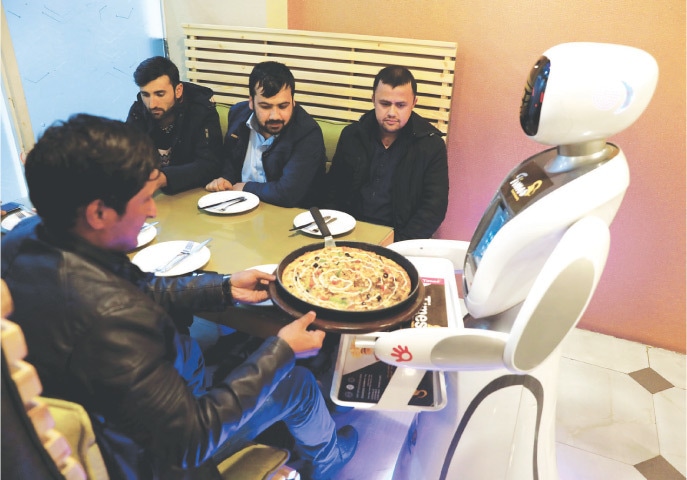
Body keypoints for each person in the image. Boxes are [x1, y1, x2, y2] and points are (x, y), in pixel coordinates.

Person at [1, 114, 357, 480]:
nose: (153, 210)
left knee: (232, 352)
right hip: (160, 461)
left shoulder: (23, 237)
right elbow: (190, 441)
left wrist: (221, 287)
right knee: (297, 381)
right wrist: (282, 350)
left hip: (128, 411)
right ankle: (330, 461)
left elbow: (137, 288)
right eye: (143, 199)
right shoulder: (112, 322)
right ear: (98, 212)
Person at [326, 65, 449, 240]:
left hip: (401, 238)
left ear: (414, 103)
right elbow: (333, 190)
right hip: (349, 231)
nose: (392, 113)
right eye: (384, 104)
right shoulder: (352, 135)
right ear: (373, 100)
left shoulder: (431, 146)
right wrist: (337, 232)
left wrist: (397, 243)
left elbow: (433, 209)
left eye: (400, 105)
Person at [205, 61, 326, 208]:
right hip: (238, 208)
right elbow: (231, 162)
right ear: (251, 102)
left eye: (283, 106)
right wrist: (225, 180)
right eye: (265, 106)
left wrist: (245, 188)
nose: (275, 116)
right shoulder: (238, 115)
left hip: (288, 216)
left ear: (293, 101)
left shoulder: (307, 132)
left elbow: (288, 193)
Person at [126, 56, 223, 194]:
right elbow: (126, 156)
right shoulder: (139, 111)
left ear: (178, 90)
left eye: (160, 94)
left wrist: (164, 178)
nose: (152, 104)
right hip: (153, 196)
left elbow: (210, 164)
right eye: (145, 95)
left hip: (192, 193)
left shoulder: (201, 110)